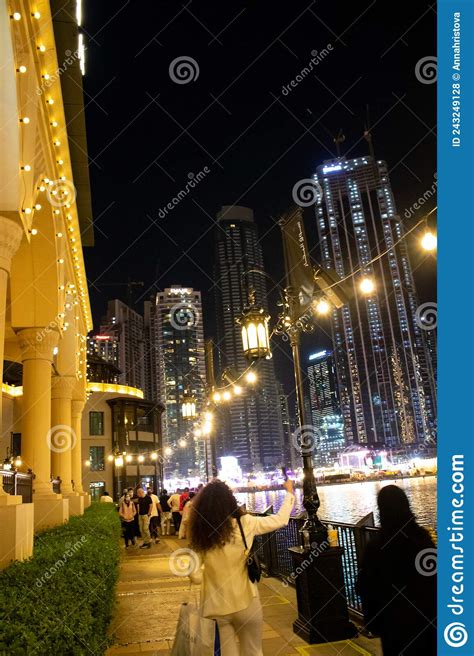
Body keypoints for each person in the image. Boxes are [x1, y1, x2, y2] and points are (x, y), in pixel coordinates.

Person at [188, 478, 295, 655]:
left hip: (218, 607)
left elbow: (195, 576)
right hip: (246, 602)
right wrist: (289, 492)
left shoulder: (202, 534)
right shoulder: (245, 523)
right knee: (253, 651)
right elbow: (281, 520)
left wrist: (207, 572)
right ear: (230, 501)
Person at [356, 485, 437, 656]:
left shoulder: (377, 546)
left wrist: (373, 621)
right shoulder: (422, 539)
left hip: (393, 627)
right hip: (426, 623)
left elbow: (364, 587)